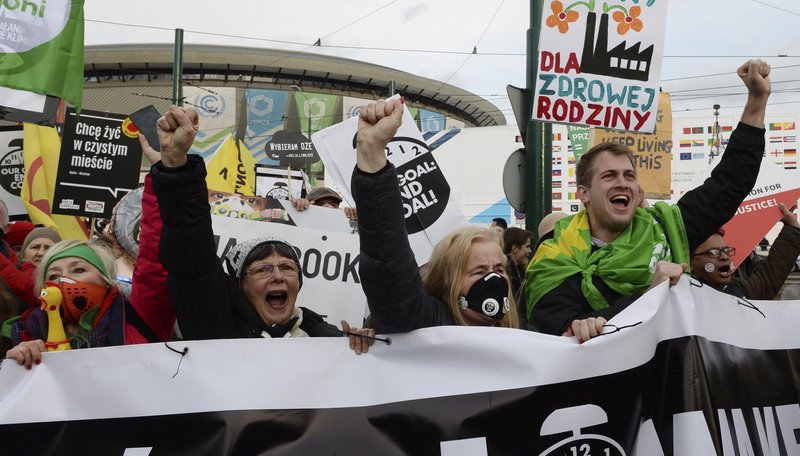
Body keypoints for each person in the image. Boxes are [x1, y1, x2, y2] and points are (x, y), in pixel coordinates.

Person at [526, 60, 771, 343]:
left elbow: (730, 182)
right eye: (609, 176)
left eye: (629, 175)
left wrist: (756, 99)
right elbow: (563, 337)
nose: (622, 182)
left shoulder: (666, 228)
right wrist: (650, 296)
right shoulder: (554, 259)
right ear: (583, 194)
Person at [147, 106, 373, 353]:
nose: (278, 276)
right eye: (263, 269)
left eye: (287, 267)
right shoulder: (216, 328)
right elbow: (189, 248)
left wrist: (364, 346)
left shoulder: (327, 337)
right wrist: (176, 166)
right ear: (241, 285)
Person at [353, 97, 519, 332]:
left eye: (499, 270)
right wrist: (372, 156)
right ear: (446, 283)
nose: (493, 280)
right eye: (478, 271)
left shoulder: (526, 337)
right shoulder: (426, 325)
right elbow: (389, 269)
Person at [3, 239, 175, 369]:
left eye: (78, 270)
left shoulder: (136, 320)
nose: (64, 280)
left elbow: (155, 260)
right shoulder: (21, 333)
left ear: (106, 281)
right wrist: (14, 363)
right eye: (54, 276)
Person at [690, 203, 800, 300]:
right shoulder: (681, 295)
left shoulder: (736, 290)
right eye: (713, 252)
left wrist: (792, 227)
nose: (724, 257)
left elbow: (767, 279)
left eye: (727, 251)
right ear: (691, 263)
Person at [503, 227, 533, 325]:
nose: (530, 251)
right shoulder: (506, 273)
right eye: (527, 246)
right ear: (515, 248)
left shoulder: (519, 270)